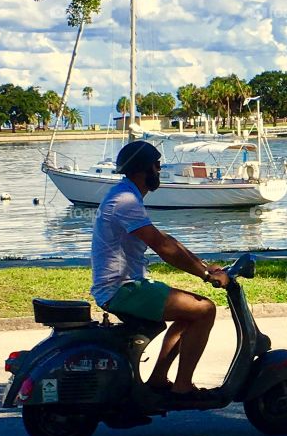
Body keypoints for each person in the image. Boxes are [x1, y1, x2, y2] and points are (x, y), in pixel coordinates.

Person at [91, 139, 230, 398]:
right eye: (157, 166)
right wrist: (204, 275)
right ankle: (183, 386)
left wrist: (204, 266)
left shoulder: (126, 195)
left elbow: (167, 239)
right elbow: (162, 246)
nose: (159, 171)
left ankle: (158, 379)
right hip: (122, 289)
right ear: (144, 169)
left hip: (126, 286)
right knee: (205, 309)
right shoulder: (125, 200)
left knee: (190, 313)